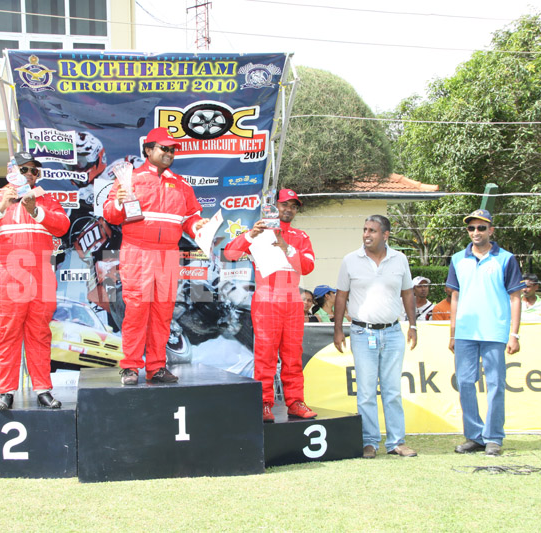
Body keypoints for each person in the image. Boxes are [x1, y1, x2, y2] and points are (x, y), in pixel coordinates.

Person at [103, 127, 208, 385]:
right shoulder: (131, 180)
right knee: (137, 311)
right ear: (149, 150)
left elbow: (191, 218)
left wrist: (199, 227)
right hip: (137, 252)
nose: (169, 153)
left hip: (168, 255)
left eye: (172, 149)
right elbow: (110, 214)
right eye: (164, 148)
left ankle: (157, 367)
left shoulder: (181, 185)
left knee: (162, 313)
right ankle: (130, 367)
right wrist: (118, 201)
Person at [0, 151, 71, 411]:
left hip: (40, 274)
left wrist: (35, 210)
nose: (29, 175)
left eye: (34, 171)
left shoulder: (46, 199)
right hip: (9, 274)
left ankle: (42, 389)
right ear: (11, 171)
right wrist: (2, 205)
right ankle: (6, 391)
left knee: (39, 333)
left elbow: (62, 226)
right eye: (24, 170)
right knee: (8, 333)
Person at [225, 189, 318, 422]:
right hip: (267, 299)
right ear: (274, 206)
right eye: (284, 205)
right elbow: (230, 254)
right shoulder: (259, 232)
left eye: (294, 206)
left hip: (292, 299)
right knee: (265, 355)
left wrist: (287, 248)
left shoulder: (301, 236)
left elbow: (307, 267)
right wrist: (250, 235)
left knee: (293, 355)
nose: (289, 210)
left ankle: (295, 402)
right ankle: (264, 403)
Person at [333, 215, 418, 459]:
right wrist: (338, 329)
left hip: (393, 332)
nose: (366, 234)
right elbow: (341, 296)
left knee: (392, 390)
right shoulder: (351, 260)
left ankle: (396, 442)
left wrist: (413, 326)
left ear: (386, 235)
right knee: (367, 392)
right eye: (364, 230)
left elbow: (408, 293)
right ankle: (369, 441)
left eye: (372, 230)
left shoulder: (400, 259)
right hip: (361, 332)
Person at [448, 209, 522, 457]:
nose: (476, 232)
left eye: (481, 228)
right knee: (466, 383)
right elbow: (455, 296)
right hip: (465, 333)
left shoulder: (506, 258)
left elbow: (515, 297)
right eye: (471, 228)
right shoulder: (458, 258)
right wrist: (452, 333)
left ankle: (493, 438)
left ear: (491, 230)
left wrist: (514, 334)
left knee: (495, 385)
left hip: (494, 331)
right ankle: (474, 436)